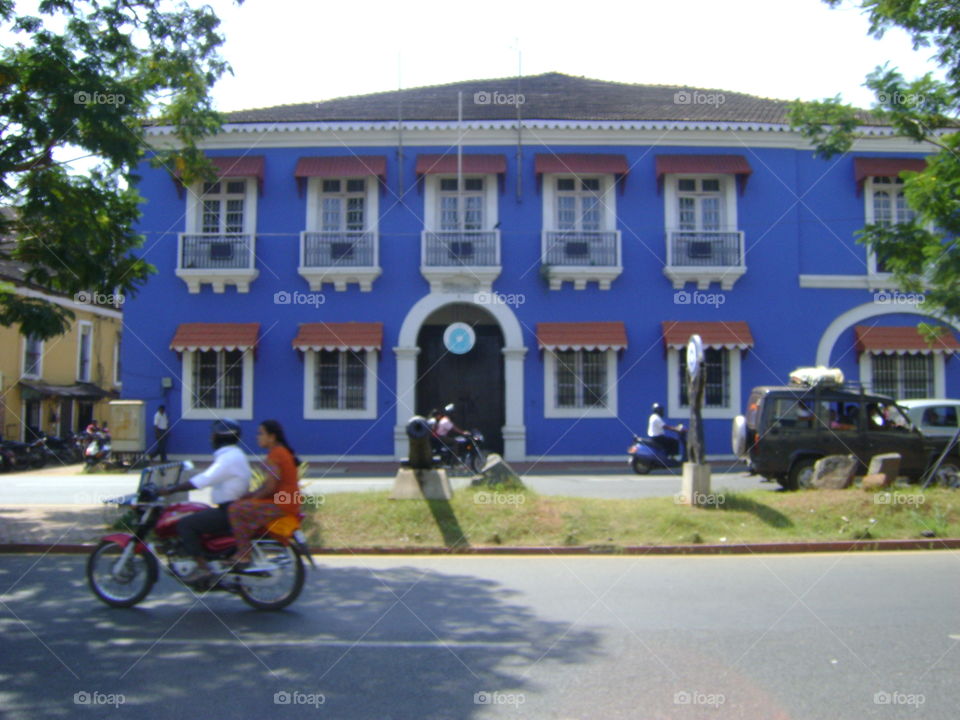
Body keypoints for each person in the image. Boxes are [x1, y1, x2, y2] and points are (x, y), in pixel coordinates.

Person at [157, 419, 251, 583]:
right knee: (197, 512)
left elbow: (204, 479)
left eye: (213, 435)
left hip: (229, 511)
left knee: (185, 524)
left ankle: (203, 568)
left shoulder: (228, 458)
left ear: (221, 437)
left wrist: (172, 489)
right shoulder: (233, 455)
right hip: (232, 508)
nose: (210, 438)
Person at [227, 420, 301, 569]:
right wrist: (251, 496)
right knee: (243, 504)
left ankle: (243, 554)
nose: (257, 437)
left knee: (236, 509)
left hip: (281, 505)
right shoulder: (281, 452)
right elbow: (268, 486)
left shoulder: (275, 455)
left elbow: (269, 487)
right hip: (287, 502)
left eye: (261, 433)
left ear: (271, 437)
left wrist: (252, 498)